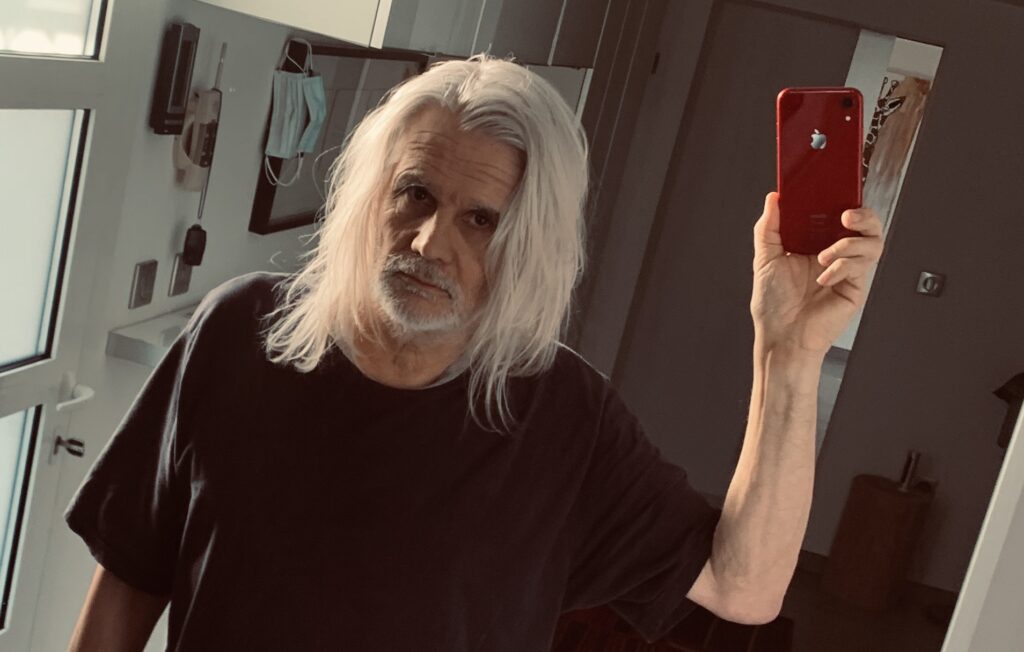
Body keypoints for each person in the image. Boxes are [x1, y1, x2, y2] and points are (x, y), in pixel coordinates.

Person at [65, 53, 884, 651]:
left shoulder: (564, 418)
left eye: (480, 219)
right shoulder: (238, 332)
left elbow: (745, 588)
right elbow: (132, 573)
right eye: (415, 194)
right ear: (370, 196)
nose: (430, 242)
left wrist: (788, 354)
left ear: (530, 243)